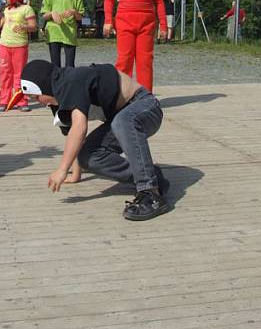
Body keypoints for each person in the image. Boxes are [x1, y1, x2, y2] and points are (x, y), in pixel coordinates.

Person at [10, 59, 171, 221]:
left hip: (145, 106)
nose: (40, 103)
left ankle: (150, 192)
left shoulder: (71, 81)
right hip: (119, 119)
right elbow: (72, 137)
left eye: (37, 98)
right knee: (88, 154)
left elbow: (80, 127)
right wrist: (75, 175)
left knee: (122, 121)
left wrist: (62, 169)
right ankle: (153, 177)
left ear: (44, 86)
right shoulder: (56, 102)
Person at [103, 0, 167, 92]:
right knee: (124, 60)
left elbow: (159, 2)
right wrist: (107, 21)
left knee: (145, 61)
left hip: (146, 26)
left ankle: (145, 96)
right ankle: (121, 95)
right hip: (125, 25)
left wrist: (163, 25)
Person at [0, 0, 37, 112]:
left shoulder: (26, 9)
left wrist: (24, 27)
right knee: (5, 73)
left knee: (20, 74)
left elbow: (33, 26)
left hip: (20, 46)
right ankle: (4, 100)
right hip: (4, 45)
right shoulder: (7, 9)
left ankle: (21, 100)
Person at [41, 0, 85, 68]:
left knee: (70, 66)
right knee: (55, 65)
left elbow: (80, 17)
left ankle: (68, 84)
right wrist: (51, 14)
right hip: (54, 32)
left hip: (70, 33)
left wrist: (74, 12)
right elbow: (44, 15)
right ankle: (56, 85)